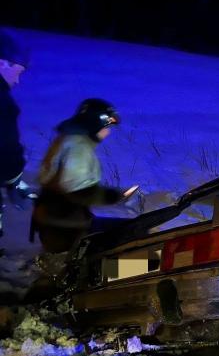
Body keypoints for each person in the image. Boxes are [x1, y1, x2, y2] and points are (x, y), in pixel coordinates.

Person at [32, 98, 134, 253]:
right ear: (95, 123)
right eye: (107, 126)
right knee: (132, 235)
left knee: (125, 231)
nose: (108, 132)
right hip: (65, 228)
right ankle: (130, 271)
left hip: (56, 222)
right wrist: (114, 196)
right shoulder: (78, 146)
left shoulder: (69, 140)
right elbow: (78, 191)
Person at [0, 29, 33, 237]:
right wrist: (15, 181)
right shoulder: (3, 103)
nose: (17, 81)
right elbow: (6, 148)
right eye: (18, 72)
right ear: (2, 63)